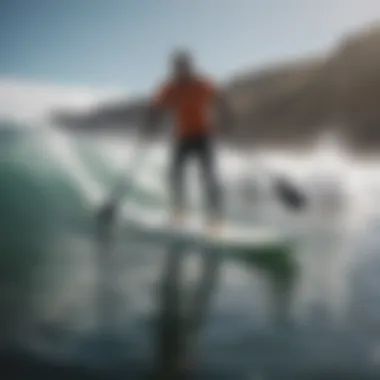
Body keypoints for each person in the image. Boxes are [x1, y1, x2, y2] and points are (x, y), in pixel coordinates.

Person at [99, 49, 234, 233]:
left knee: (209, 177)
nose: (180, 70)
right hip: (183, 137)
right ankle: (180, 213)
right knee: (174, 174)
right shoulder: (170, 88)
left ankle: (216, 218)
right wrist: (148, 127)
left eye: (184, 66)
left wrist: (227, 118)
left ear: (190, 66)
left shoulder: (202, 84)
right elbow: (155, 108)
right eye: (177, 67)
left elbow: (220, 99)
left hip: (203, 136)